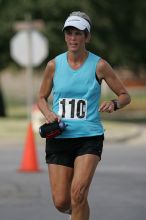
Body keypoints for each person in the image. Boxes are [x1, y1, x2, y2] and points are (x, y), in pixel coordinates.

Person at [38, 11, 131, 220]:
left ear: (87, 37)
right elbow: (41, 97)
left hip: (89, 137)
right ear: (65, 36)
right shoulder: (54, 65)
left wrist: (115, 103)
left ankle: (79, 209)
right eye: (69, 33)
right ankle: (79, 213)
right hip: (59, 136)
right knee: (62, 202)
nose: (73, 38)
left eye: (78, 33)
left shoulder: (100, 65)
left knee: (78, 193)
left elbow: (125, 95)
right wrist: (48, 113)